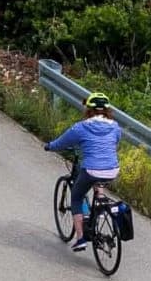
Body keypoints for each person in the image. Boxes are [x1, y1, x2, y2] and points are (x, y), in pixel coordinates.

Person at [46, 93, 123, 253]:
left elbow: (61, 143)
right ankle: (100, 207)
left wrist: (49, 146)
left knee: (76, 196)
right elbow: (115, 141)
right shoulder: (115, 126)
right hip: (112, 169)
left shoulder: (81, 127)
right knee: (98, 179)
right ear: (108, 110)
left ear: (88, 109)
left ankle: (80, 238)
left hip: (91, 169)